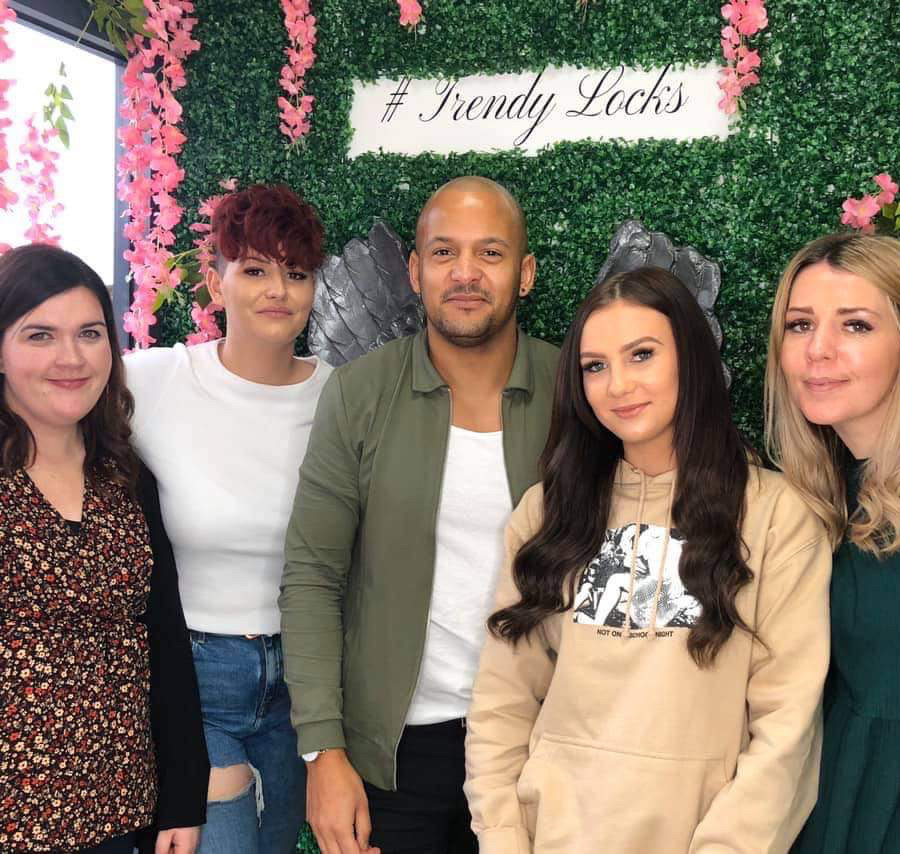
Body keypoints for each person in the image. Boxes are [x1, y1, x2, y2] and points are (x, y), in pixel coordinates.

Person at [464, 266, 832, 853]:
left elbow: (786, 724)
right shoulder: (547, 512)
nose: (618, 385)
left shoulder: (774, 516)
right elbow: (501, 700)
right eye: (595, 366)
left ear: (690, 358)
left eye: (642, 355)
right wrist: (502, 837)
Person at [280, 175, 559, 854]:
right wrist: (323, 751)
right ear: (414, 271)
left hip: (541, 745)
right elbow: (313, 576)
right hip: (395, 757)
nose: (465, 273)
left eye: (490, 253)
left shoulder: (576, 393)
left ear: (525, 274)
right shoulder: (360, 393)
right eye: (443, 253)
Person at [124, 183, 331, 854]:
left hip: (301, 682)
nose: (278, 291)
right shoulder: (153, 380)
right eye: (255, 270)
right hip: (196, 677)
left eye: (296, 273)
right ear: (217, 282)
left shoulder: (341, 397)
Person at [0, 244, 208, 854]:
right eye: (39, 335)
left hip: (120, 812)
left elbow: (163, 640)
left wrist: (182, 797)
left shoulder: (125, 476)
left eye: (89, 334)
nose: (70, 358)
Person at [765, 232, 900, 854]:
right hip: (831, 798)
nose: (818, 349)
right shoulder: (818, 497)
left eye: (856, 325)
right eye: (800, 325)